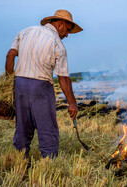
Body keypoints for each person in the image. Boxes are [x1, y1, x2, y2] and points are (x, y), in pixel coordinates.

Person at [5, 9, 82, 159]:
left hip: (19, 85)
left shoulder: (25, 32)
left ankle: (20, 160)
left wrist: (9, 81)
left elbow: (10, 55)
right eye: (67, 30)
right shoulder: (57, 44)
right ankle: (50, 162)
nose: (66, 35)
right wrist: (72, 103)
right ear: (60, 24)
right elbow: (63, 78)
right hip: (41, 87)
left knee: (22, 127)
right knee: (47, 128)